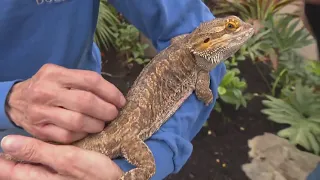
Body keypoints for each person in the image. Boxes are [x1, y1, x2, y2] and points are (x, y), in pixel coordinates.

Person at [0, 0, 226, 179]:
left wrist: (154, 153)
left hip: (90, 118)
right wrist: (6, 99)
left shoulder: (202, 49)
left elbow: (195, 34)